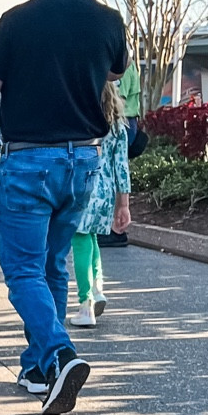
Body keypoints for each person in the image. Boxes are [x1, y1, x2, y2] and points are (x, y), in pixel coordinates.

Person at [0, 0, 126, 415]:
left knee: (23, 270)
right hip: (84, 161)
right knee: (52, 265)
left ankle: (60, 352)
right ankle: (37, 368)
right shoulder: (108, 20)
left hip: (30, 160)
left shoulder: (15, 22)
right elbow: (112, 72)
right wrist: (92, 2)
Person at [71, 81, 132, 328]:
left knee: (80, 239)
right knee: (92, 238)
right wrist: (124, 205)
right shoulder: (117, 126)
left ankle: (85, 303)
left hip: (84, 185)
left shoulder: (82, 119)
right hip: (106, 192)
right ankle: (97, 289)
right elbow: (122, 167)